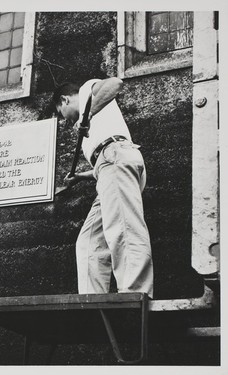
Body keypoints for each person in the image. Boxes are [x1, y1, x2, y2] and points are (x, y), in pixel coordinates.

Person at [52, 77, 153, 298]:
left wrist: (87, 115)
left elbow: (116, 83)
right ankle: (91, 302)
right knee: (89, 241)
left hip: (115, 157)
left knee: (124, 230)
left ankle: (133, 295)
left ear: (65, 100)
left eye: (61, 114)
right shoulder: (88, 126)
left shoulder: (88, 89)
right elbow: (104, 166)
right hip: (109, 166)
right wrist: (78, 176)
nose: (66, 121)